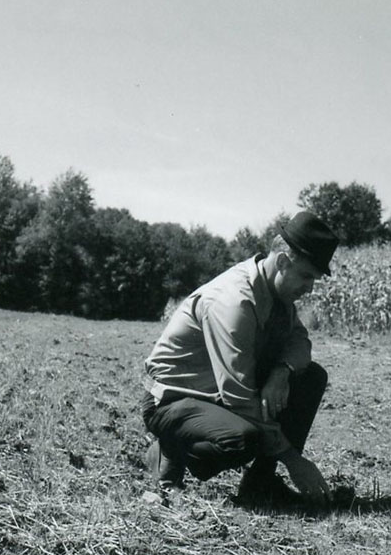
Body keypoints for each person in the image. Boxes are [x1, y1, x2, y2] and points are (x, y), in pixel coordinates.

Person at [141, 211, 338, 506]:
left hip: (214, 395)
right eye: (307, 276)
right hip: (173, 400)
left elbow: (300, 342)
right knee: (242, 439)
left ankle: (260, 485)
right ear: (283, 262)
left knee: (310, 377)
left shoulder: (278, 295)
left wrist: (281, 372)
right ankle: (170, 448)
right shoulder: (234, 301)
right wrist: (293, 460)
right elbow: (238, 397)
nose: (309, 288)